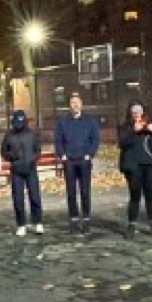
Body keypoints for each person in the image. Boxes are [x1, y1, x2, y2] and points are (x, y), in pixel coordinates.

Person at [117, 101, 152, 236]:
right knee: (134, 196)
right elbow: (122, 143)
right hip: (133, 167)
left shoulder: (151, 124)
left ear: (143, 112)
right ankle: (131, 225)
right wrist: (134, 131)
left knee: (150, 196)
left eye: (139, 112)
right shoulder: (126, 127)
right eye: (134, 112)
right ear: (130, 113)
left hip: (150, 166)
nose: (136, 115)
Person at [54, 92, 99, 234]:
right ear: (69, 105)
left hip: (84, 160)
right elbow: (58, 140)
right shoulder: (63, 121)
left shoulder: (90, 120)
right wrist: (62, 155)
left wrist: (89, 154)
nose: (75, 105)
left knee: (85, 192)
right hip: (70, 162)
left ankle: (86, 219)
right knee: (71, 193)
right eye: (73, 102)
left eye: (77, 102)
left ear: (82, 104)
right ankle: (73, 220)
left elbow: (95, 139)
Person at [1, 109, 45, 236]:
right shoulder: (9, 135)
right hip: (16, 171)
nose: (19, 125)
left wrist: (33, 159)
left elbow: (38, 149)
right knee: (18, 199)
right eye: (17, 122)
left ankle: (38, 222)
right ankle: (21, 224)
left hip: (31, 169)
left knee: (35, 197)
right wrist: (12, 156)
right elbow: (4, 151)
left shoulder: (32, 134)